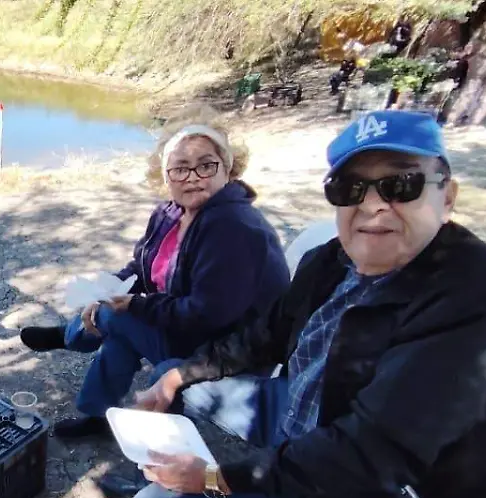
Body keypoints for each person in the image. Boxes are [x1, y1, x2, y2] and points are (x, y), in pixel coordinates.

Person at [41, 110, 486, 498]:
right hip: (304, 409)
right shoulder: (335, 259)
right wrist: (176, 377)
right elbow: (263, 335)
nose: (372, 205)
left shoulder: (480, 298)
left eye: (400, 184)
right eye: (351, 187)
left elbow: (368, 455)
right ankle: (165, 467)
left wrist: (218, 479)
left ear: (448, 197)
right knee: (177, 376)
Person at [18, 112, 289, 439]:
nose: (192, 177)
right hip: (190, 330)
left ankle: (156, 467)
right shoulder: (171, 213)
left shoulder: (234, 228)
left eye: (206, 165)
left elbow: (207, 315)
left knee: (138, 344)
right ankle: (96, 414)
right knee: (112, 321)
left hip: (225, 350)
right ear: (165, 175)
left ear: (228, 169)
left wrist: (134, 306)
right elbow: (142, 268)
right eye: (179, 168)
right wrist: (106, 293)